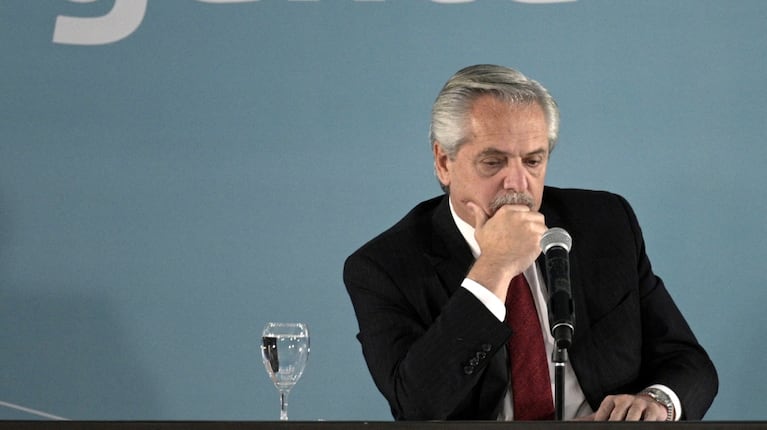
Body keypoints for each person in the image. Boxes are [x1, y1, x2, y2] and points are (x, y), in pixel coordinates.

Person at [343, 64, 718, 421]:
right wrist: (494, 267)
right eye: (494, 162)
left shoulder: (606, 224)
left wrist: (656, 403)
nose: (518, 183)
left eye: (533, 161)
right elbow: (419, 407)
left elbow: (688, 362)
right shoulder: (384, 267)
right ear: (444, 162)